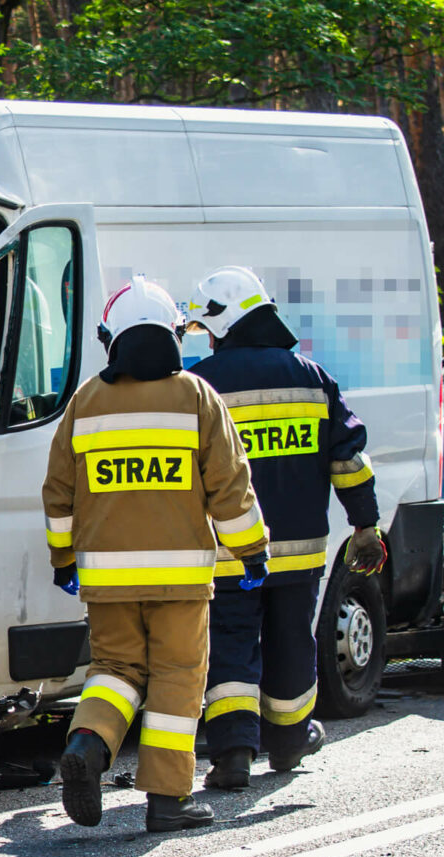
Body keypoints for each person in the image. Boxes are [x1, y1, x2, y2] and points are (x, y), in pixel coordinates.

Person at [43, 276, 269, 833]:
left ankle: (88, 743)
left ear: (111, 338)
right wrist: (251, 550)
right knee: (176, 677)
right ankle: (168, 802)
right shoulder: (196, 397)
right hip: (181, 581)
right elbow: (229, 485)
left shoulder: (86, 402)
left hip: (107, 579)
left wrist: (63, 560)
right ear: (173, 334)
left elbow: (58, 493)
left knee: (115, 671)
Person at [185, 266, 386, 790]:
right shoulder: (313, 378)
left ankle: (232, 754)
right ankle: (290, 741)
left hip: (229, 553)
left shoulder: (202, 385)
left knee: (231, 647)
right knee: (292, 643)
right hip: (301, 553)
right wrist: (365, 524)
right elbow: (349, 460)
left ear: (224, 322)